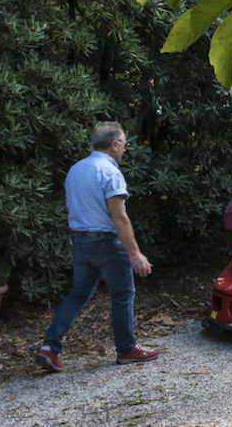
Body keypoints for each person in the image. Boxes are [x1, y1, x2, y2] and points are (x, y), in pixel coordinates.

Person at [35, 122, 159, 373]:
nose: (125, 149)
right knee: (122, 294)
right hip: (105, 242)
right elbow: (119, 217)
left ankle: (50, 347)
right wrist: (135, 254)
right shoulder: (109, 173)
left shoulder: (76, 170)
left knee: (77, 294)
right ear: (114, 144)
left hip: (79, 241)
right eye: (124, 144)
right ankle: (126, 349)